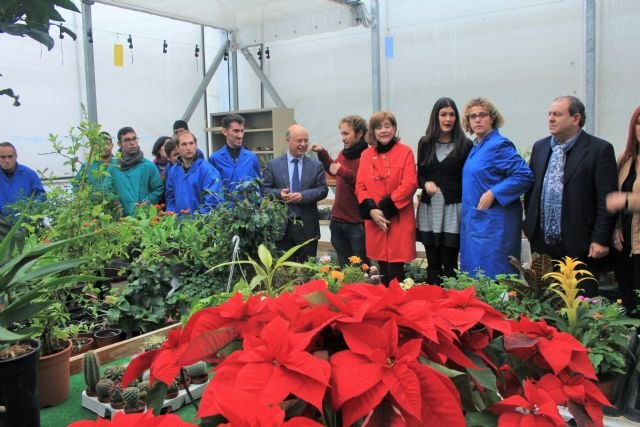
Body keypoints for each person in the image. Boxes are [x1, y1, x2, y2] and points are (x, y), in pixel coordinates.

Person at [524, 96, 617, 296]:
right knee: (545, 299)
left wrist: (600, 239)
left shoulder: (599, 150)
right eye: (549, 114)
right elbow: (532, 190)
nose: (550, 119)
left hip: (580, 243)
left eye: (557, 114)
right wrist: (529, 226)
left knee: (579, 303)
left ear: (575, 119)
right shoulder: (540, 147)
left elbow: (606, 200)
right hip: (542, 241)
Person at [460, 97, 534, 279]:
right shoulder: (477, 146)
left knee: (495, 275)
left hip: (495, 226)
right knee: (476, 275)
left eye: (482, 115)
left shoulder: (499, 145)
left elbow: (524, 175)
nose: (477, 120)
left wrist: (494, 192)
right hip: (477, 223)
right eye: (472, 116)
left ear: (492, 118)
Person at [355, 111, 417, 285]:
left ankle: (398, 304)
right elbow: (360, 186)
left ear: (395, 128)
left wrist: (387, 206)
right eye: (378, 127)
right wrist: (372, 210)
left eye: (387, 126)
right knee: (381, 265)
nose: (383, 131)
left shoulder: (406, 152)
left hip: (398, 218)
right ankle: (385, 302)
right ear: (372, 131)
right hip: (376, 220)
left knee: (396, 268)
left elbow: (410, 184)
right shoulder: (366, 156)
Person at [416, 98, 473, 284]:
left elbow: (468, 178)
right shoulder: (425, 143)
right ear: (436, 117)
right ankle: (432, 301)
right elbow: (420, 175)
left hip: (452, 209)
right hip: (429, 209)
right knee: (432, 262)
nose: (447, 119)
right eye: (443, 114)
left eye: (451, 114)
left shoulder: (465, 145)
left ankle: (450, 304)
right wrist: (425, 185)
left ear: (457, 118)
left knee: (449, 262)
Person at [261, 124, 328, 262]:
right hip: (282, 229)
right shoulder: (273, 165)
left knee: (308, 271)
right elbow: (265, 189)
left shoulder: (316, 166)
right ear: (288, 140)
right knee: (284, 271)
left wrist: (303, 196)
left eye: (306, 140)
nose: (303, 144)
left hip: (307, 227)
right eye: (299, 141)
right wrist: (279, 194)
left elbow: (323, 190)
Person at [310, 115, 369, 267]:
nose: (342, 138)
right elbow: (332, 167)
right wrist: (322, 152)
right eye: (341, 133)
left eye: (346, 133)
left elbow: (365, 185)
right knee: (344, 265)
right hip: (337, 220)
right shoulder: (343, 154)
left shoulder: (367, 156)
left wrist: (342, 171)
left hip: (357, 223)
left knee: (361, 266)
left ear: (360, 133)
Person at [605, 106, 640, 313]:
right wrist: (615, 228)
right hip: (623, 243)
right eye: (638, 122)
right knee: (627, 299)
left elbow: (620, 198)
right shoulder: (625, 159)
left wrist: (626, 200)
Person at [109, 127, 164, 216]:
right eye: (127, 140)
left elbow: (158, 189)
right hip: (120, 220)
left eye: (134, 139)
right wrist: (116, 205)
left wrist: (144, 204)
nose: (132, 143)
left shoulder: (148, 166)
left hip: (143, 218)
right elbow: (107, 189)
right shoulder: (113, 167)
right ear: (119, 144)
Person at [166, 131, 222, 215]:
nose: (188, 148)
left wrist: (198, 224)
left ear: (196, 145)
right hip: (178, 225)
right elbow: (170, 198)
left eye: (191, 143)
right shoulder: (174, 170)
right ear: (177, 147)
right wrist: (172, 218)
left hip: (201, 225)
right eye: (184, 144)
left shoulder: (208, 171)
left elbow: (212, 203)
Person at [209, 114, 261, 200]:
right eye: (236, 131)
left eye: (242, 131)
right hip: (225, 211)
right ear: (225, 132)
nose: (240, 135)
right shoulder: (215, 159)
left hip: (248, 210)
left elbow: (258, 186)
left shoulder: (251, 158)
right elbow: (213, 189)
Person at [0, 141, 45, 217]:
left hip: (26, 223)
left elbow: (41, 198)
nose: (7, 161)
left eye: (10, 156)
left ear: (16, 157)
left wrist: (32, 216)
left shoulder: (30, 174)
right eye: (3, 157)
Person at [75, 131, 117, 196]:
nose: (105, 147)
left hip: (117, 204)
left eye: (107, 144)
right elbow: (76, 185)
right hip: (93, 205)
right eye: (101, 144)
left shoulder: (118, 164)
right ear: (95, 147)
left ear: (112, 145)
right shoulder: (87, 166)